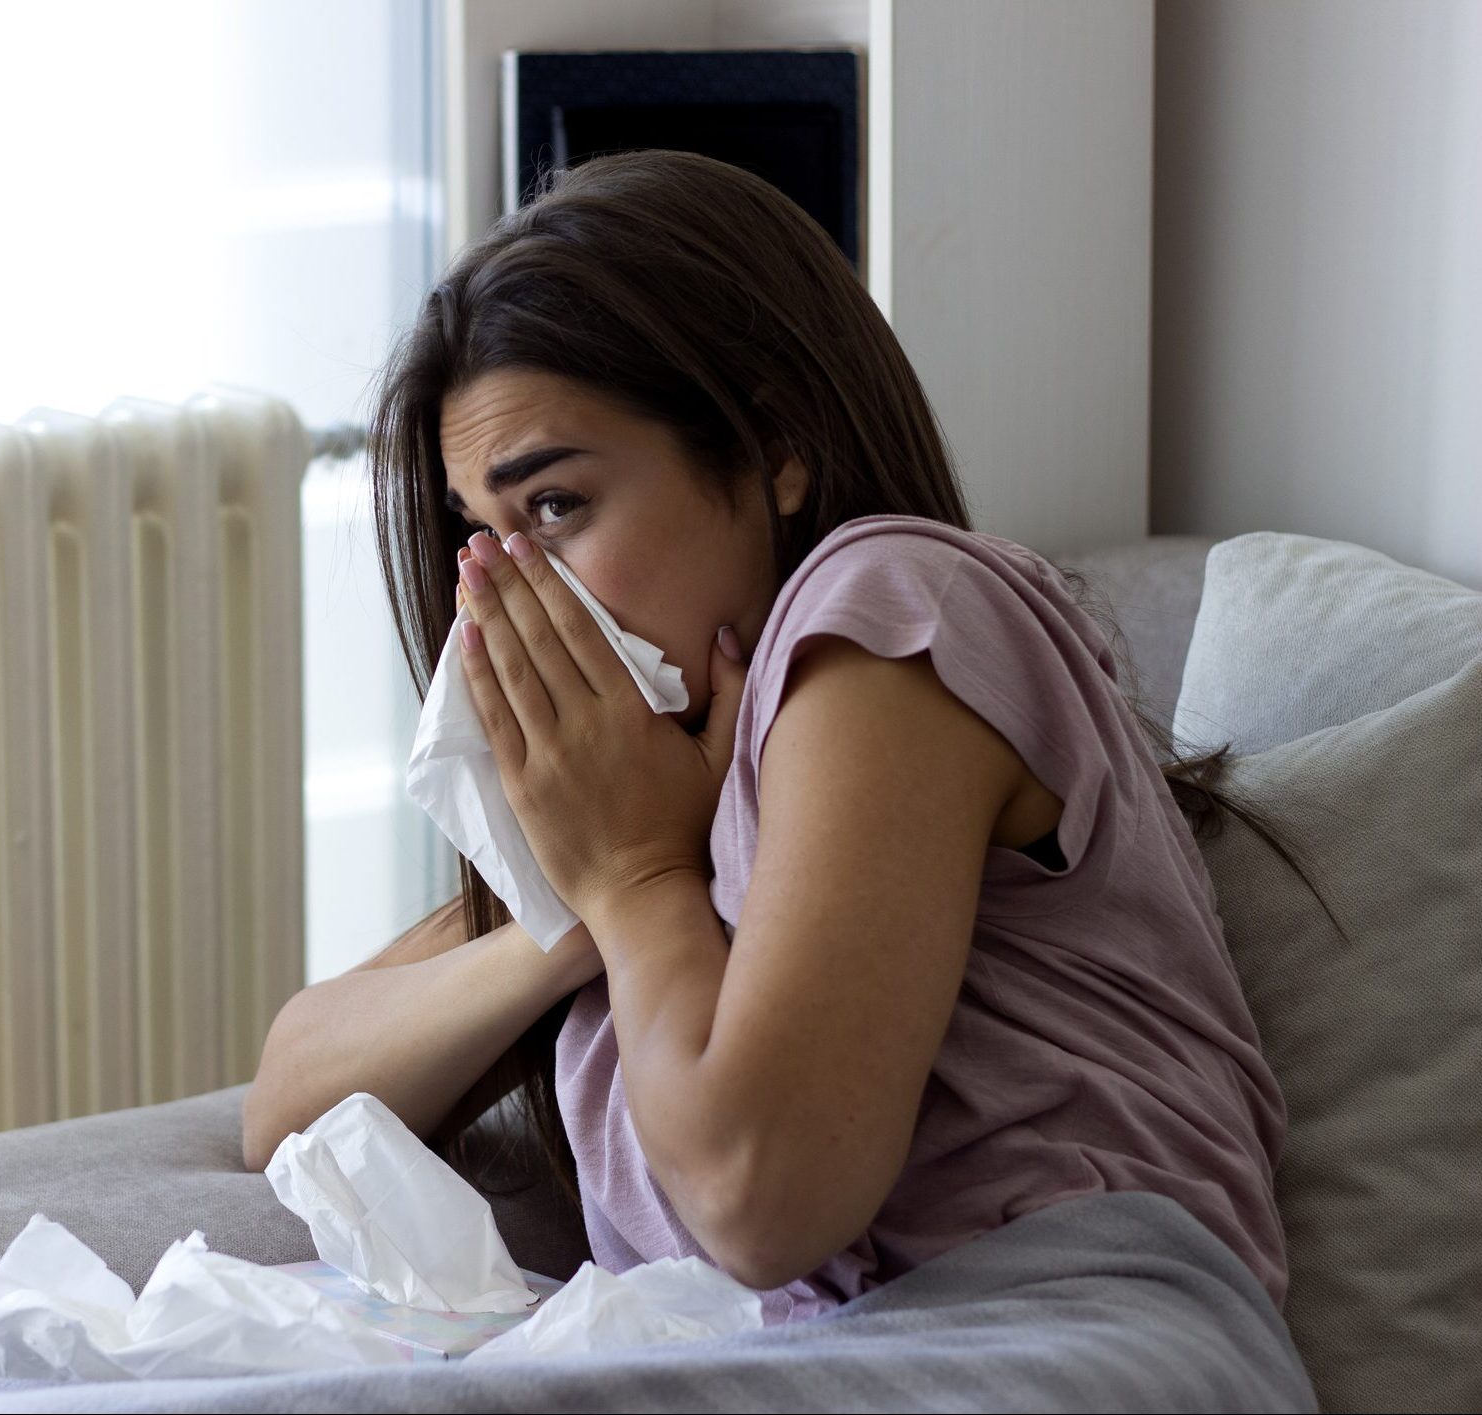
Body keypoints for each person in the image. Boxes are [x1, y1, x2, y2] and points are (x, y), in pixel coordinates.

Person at [243, 149, 1302, 1325]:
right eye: (481, 538)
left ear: (776, 444)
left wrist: (639, 883)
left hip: (1065, 1339)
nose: (510, 600)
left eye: (556, 505)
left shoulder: (883, 619)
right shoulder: (658, 796)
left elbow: (759, 1197)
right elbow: (289, 1098)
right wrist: (588, 905)